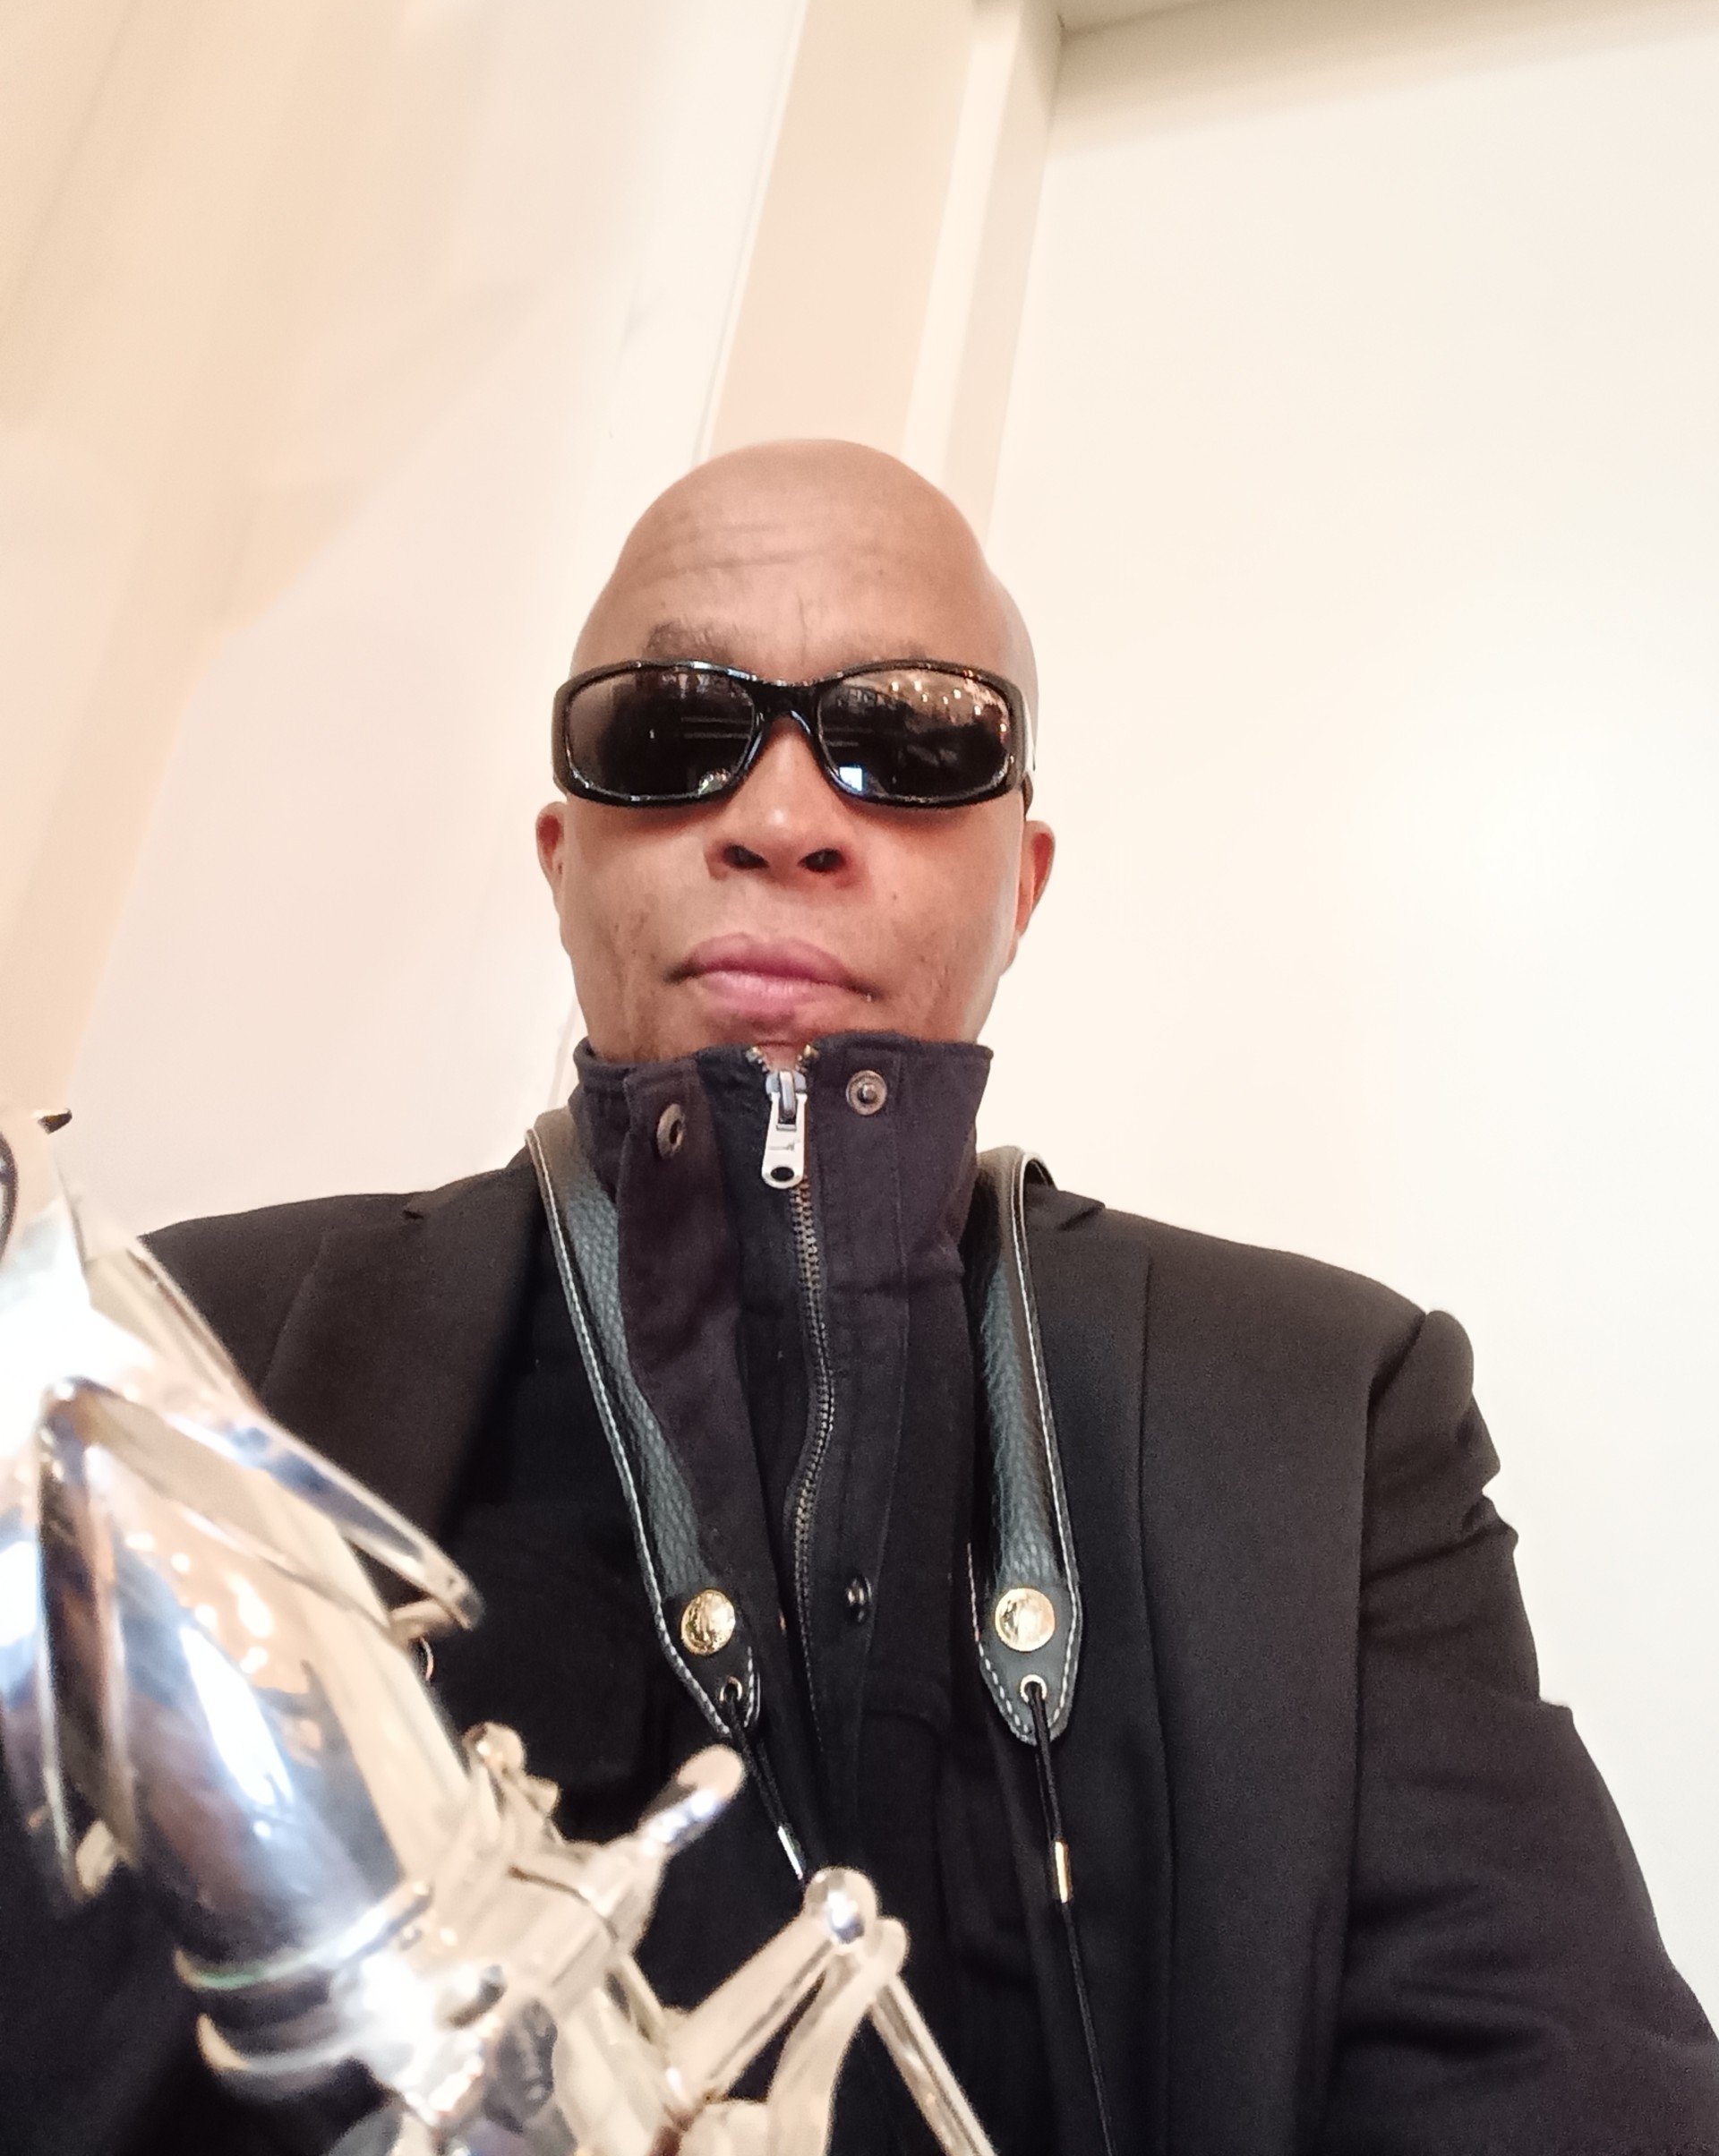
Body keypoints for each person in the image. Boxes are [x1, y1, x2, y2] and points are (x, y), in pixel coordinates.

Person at [4, 441, 1716, 2156]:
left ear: (1022, 882)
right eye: (668, 729)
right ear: (561, 854)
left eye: (910, 735)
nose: (781, 819)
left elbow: (1552, 2085)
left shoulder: (1337, 1408)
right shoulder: (172, 1353)